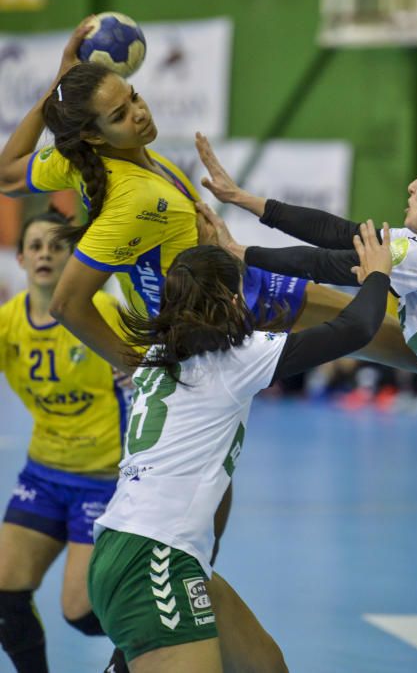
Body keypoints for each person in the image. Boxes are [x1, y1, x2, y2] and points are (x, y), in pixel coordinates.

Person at [0, 20, 417, 672]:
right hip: (216, 304)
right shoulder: (133, 199)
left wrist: (61, 76)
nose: (139, 115)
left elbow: (5, 170)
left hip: (219, 281)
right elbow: (67, 303)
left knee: (380, 332)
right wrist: (130, 361)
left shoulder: (82, 157)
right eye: (119, 114)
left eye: (134, 99)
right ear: (93, 135)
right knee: (370, 329)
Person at [195, 134, 417, 673]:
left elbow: (334, 260)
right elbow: (343, 234)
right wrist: (244, 200)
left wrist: (242, 253)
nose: (410, 184)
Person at [88, 231, 392, 673]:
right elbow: (356, 329)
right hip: (154, 557)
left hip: (144, 546)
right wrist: (378, 274)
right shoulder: (237, 357)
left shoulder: (159, 352)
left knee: (265, 667)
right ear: (233, 298)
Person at [0, 209, 129, 673]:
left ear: (73, 257)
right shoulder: (9, 322)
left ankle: (154, 644)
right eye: (35, 246)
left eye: (57, 246)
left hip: (103, 481)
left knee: (80, 611)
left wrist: (134, 366)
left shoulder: (105, 313)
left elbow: (152, 362)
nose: (45, 254)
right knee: (4, 592)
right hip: (43, 473)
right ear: (20, 259)